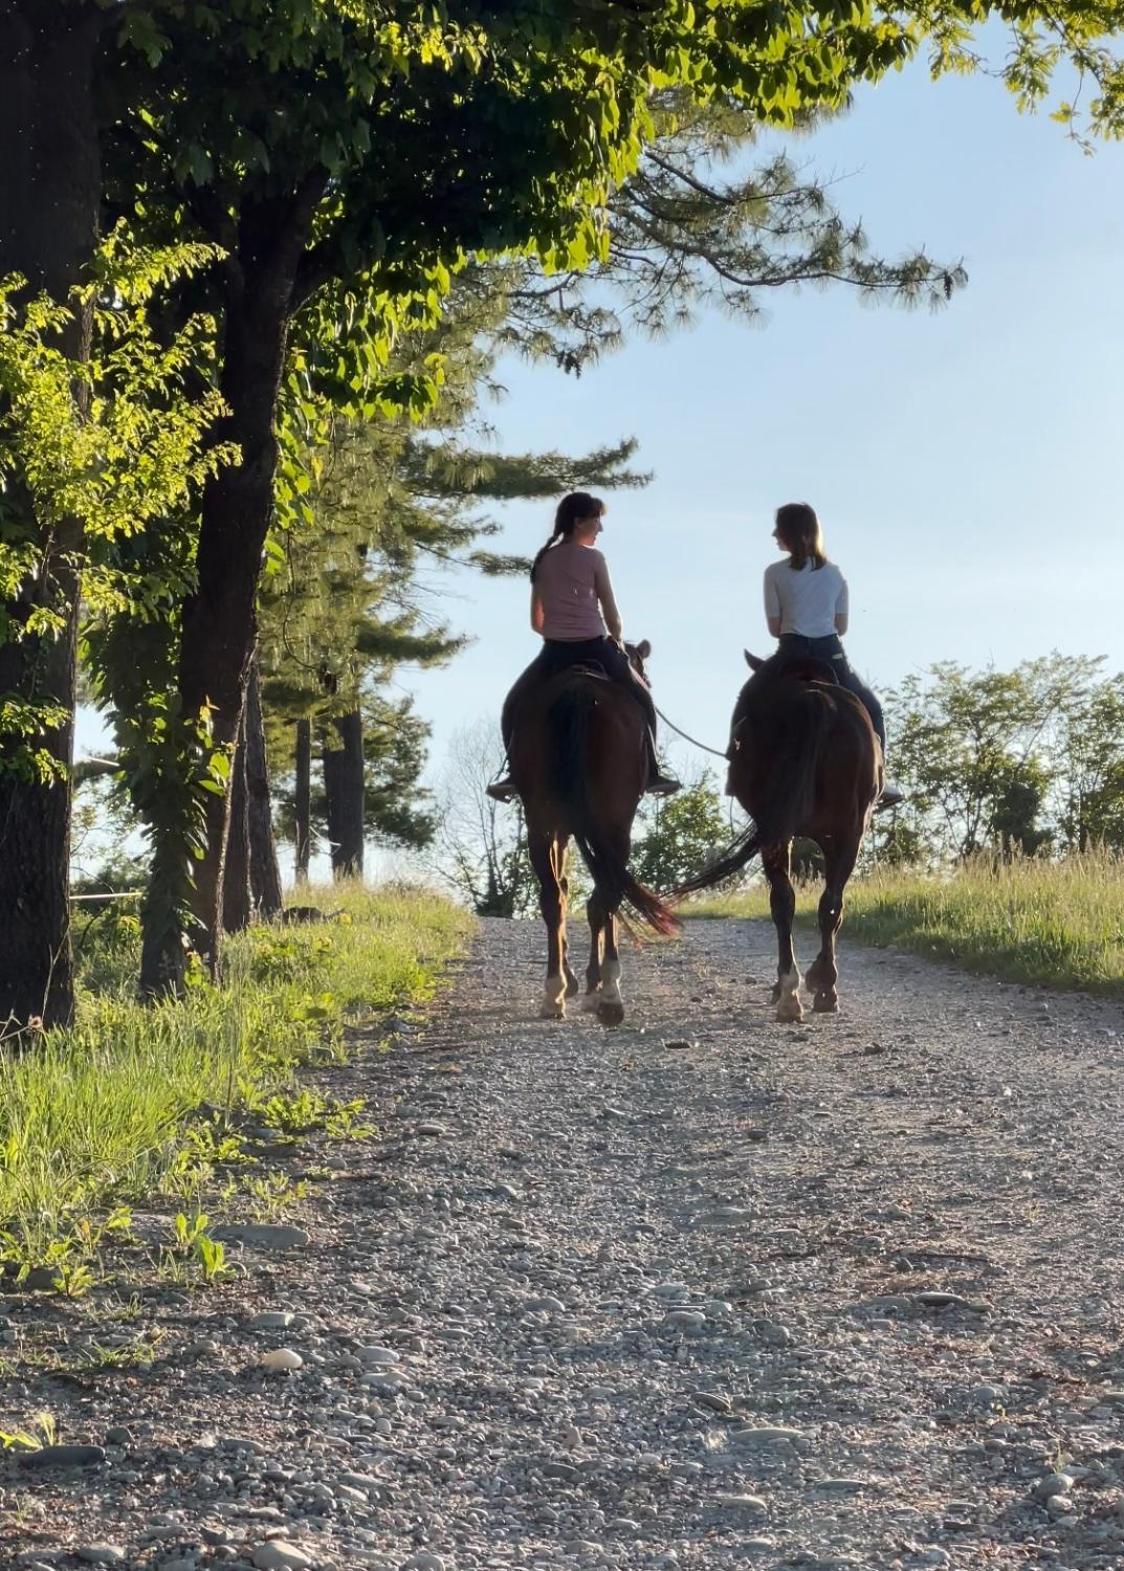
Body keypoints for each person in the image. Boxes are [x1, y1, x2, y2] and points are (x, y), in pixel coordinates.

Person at [486, 492, 680, 802]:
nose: (600, 528)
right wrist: (615, 640)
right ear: (579, 522)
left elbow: (536, 621)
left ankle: (512, 772)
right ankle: (654, 772)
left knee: (515, 702)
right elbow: (611, 612)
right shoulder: (594, 559)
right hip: (595, 647)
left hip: (554, 652)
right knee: (642, 696)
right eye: (596, 520)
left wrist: (558, 631)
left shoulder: (544, 559)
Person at [733, 501, 903, 808]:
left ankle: (735, 770)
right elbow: (842, 626)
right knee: (872, 708)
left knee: (748, 698)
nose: (774, 535)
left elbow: (774, 628)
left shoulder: (773, 573)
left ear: (792, 533)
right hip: (831, 654)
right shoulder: (836, 575)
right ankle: (881, 777)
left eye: (779, 529)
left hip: (790, 652)